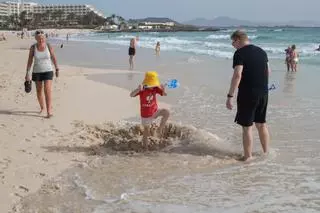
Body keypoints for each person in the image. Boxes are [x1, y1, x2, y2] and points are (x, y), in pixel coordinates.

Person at [226, 30, 270, 161]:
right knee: (261, 124)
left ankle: (248, 157)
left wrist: (230, 96)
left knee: (247, 127)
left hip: (248, 94)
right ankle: (266, 153)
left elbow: (237, 74)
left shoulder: (239, 53)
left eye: (233, 42)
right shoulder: (262, 51)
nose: (232, 45)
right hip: (263, 93)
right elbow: (268, 71)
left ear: (238, 40)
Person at [130, 71, 170, 148]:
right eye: (151, 84)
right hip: (146, 115)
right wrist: (138, 90)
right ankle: (145, 147)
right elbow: (131, 95)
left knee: (166, 112)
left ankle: (159, 129)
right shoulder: (142, 89)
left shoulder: (155, 88)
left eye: (153, 84)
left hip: (155, 112)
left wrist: (163, 89)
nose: (152, 86)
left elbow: (165, 94)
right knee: (146, 132)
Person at [25, 30, 60, 118]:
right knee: (39, 91)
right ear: (36, 38)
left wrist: (57, 68)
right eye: (39, 38)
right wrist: (27, 73)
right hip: (37, 72)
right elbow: (30, 61)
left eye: (42, 38)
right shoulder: (33, 47)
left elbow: (53, 57)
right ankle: (42, 107)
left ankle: (49, 111)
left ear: (45, 37)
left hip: (48, 70)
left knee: (47, 90)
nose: (41, 40)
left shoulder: (48, 46)